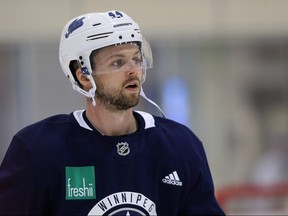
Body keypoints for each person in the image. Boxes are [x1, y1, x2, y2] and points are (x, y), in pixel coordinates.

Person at [0, 10, 225, 215]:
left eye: (136, 59)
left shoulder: (180, 145)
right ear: (84, 77)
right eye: (118, 63)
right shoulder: (39, 148)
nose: (132, 70)